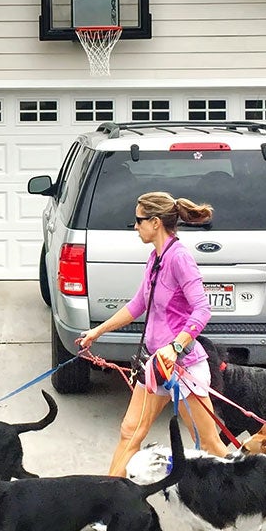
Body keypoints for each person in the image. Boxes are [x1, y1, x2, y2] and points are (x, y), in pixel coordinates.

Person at [77, 191, 230, 485]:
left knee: (210, 444)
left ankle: (243, 499)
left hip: (183, 367)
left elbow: (202, 309)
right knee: (130, 432)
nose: (135, 227)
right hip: (155, 366)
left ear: (156, 222)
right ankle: (107, 501)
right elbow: (138, 304)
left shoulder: (180, 258)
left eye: (139, 220)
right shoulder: (156, 258)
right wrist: (98, 331)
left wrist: (175, 347)